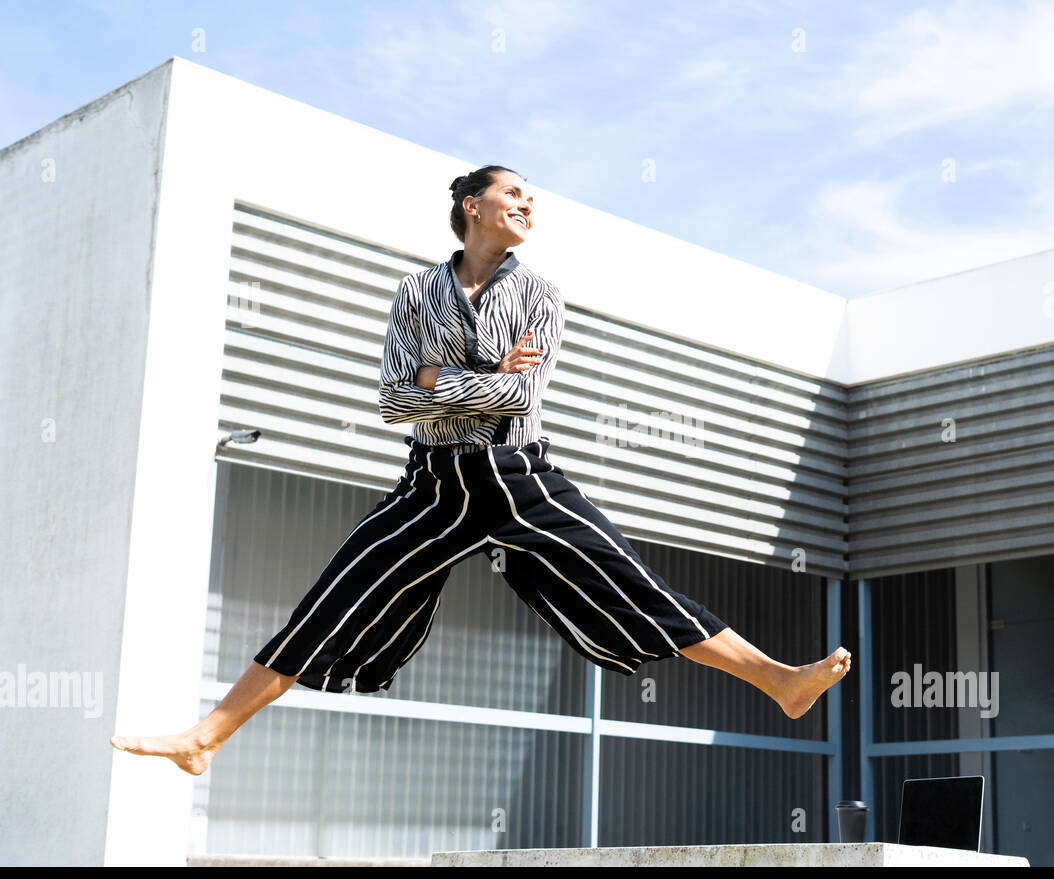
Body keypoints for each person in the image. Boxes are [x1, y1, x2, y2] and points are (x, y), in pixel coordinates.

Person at [110, 164, 851, 776]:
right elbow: (394, 401)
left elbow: (519, 393)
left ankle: (780, 680)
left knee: (633, 586)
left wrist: (442, 378)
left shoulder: (540, 294)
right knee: (332, 598)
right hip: (432, 483)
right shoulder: (415, 293)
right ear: (474, 206)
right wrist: (465, 378)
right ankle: (205, 736)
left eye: (532, 200)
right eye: (513, 195)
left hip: (520, 476)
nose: (527, 205)